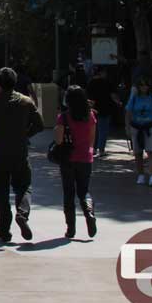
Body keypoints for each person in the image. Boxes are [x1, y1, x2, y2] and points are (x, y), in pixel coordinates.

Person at [0, 67, 44, 243]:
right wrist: (25, 135)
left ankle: (4, 231)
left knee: (1, 192)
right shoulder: (26, 102)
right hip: (20, 152)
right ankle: (22, 214)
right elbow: (39, 125)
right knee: (24, 186)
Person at [54, 85, 98, 239]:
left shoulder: (64, 117)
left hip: (68, 159)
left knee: (69, 193)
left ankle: (70, 228)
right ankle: (89, 213)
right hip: (85, 157)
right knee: (84, 190)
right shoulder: (90, 115)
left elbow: (58, 141)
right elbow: (92, 139)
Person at [126, 77, 152, 186]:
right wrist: (127, 127)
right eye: (141, 85)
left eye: (146, 85)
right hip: (137, 127)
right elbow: (128, 112)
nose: (144, 87)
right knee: (138, 152)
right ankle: (140, 174)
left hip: (150, 127)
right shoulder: (134, 98)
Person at [86, 67, 119, 157]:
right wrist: (118, 102)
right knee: (103, 130)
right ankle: (101, 150)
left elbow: (89, 97)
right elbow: (113, 95)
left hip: (94, 109)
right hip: (105, 108)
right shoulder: (107, 82)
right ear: (102, 73)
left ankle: (93, 149)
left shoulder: (90, 83)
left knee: (93, 130)